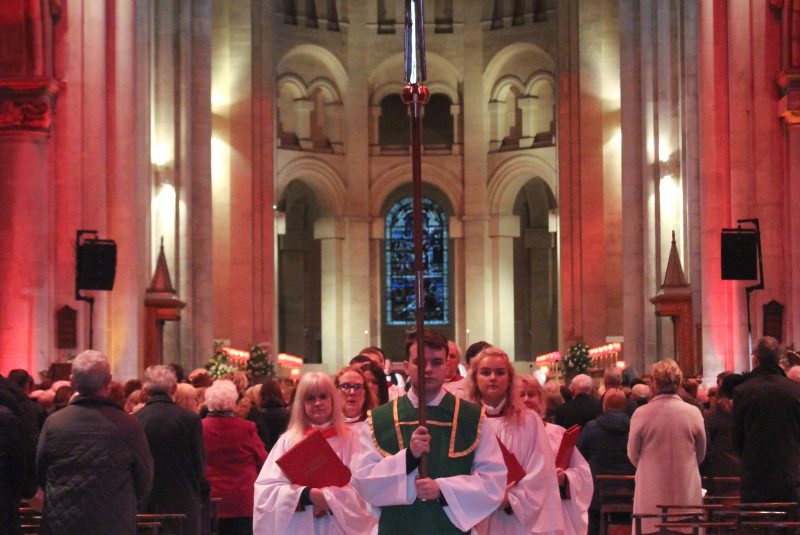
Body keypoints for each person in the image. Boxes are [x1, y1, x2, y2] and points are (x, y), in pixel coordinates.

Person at [351, 330, 506, 534]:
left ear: (447, 366)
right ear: (407, 366)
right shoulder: (379, 420)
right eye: (420, 362)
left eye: (436, 362)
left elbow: (493, 482)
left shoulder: (472, 418)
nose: (428, 369)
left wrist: (443, 489)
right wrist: (408, 458)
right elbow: (362, 482)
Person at [36, 350, 153, 535]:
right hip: (113, 524)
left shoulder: (54, 423)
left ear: (72, 381)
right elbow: (144, 479)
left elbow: (41, 471)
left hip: (62, 522)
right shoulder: (130, 425)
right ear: (109, 381)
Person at [253, 372, 375, 534]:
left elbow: (365, 489)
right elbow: (266, 491)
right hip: (300, 526)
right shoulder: (288, 441)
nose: (317, 403)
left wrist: (329, 498)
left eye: (323, 396)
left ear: (333, 400)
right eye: (310, 398)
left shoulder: (352, 439)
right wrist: (305, 495)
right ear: (301, 404)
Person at [465, 349, 563, 534]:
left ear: (509, 379)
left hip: (517, 518)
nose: (493, 377)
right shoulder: (463, 421)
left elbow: (541, 470)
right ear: (475, 379)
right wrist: (485, 495)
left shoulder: (529, 421)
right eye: (485, 372)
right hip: (478, 516)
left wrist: (512, 499)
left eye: (500, 372)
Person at [627, 359, 705, 534]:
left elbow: (632, 454)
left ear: (653, 384)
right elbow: (701, 453)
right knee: (685, 527)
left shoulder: (642, 413)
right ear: (678, 383)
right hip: (685, 483)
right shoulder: (693, 413)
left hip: (651, 485)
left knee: (651, 526)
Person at [134, 365, 207, 535]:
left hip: (146, 503)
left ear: (145, 389)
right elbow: (199, 464)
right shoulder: (190, 420)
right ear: (174, 388)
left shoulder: (135, 420)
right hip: (182, 501)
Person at [520, 375, 593, 534]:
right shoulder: (507, 435)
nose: (526, 399)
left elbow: (582, 474)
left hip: (555, 512)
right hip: (519, 516)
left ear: (541, 400)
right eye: (521, 395)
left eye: (531, 394)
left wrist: (565, 478)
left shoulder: (557, 433)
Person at [733, 336, 800, 503]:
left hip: (754, 474)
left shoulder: (743, 392)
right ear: (778, 358)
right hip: (789, 472)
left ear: (755, 358)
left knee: (755, 524)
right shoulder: (795, 391)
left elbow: (737, 439)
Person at [202, 380, 267, 535]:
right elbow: (263, 460)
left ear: (208, 403)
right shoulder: (246, 427)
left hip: (210, 499)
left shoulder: (199, 427)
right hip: (242, 500)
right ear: (233, 403)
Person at [577, 389, 635, 535]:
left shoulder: (591, 428)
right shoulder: (634, 427)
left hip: (597, 492)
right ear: (624, 406)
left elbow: (580, 456)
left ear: (604, 405)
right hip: (629, 490)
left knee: (593, 516)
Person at [246, 378, 290, 451]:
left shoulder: (257, 415)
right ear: (279, 394)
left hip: (264, 453)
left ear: (262, 394)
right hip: (282, 453)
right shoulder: (287, 414)